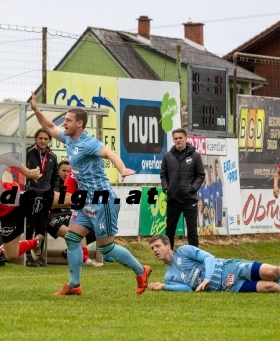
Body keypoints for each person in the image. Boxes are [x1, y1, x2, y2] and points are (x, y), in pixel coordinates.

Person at [30, 92, 151, 295]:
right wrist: (35, 110)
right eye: (65, 120)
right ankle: (74, 285)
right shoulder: (69, 139)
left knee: (106, 248)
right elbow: (50, 127)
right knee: (72, 239)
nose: (64, 123)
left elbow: (109, 153)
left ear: (80, 124)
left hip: (102, 199)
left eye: (68, 120)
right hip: (85, 201)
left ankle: (141, 271)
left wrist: (121, 169)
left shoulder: (88, 143)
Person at [148, 235, 280, 293]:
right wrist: (164, 286)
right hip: (228, 286)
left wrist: (207, 279)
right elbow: (188, 289)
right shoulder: (168, 277)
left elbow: (209, 258)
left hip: (230, 268)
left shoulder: (184, 251)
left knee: (273, 272)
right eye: (152, 248)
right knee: (271, 287)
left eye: (158, 246)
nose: (155, 250)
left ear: (168, 246)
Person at [48, 161, 103, 267]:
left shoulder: (77, 183)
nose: (66, 174)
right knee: (75, 230)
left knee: (97, 229)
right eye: (63, 171)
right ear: (58, 171)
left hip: (69, 213)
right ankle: (85, 258)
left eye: (68, 172)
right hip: (53, 215)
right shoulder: (54, 183)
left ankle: (71, 252)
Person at [160, 128, 205, 249]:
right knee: (169, 231)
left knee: (192, 232)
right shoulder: (167, 156)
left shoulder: (195, 156)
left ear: (186, 138)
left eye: (180, 138)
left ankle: (195, 257)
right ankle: (169, 257)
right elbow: (163, 175)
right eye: (176, 138)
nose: (178, 140)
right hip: (173, 199)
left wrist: (192, 189)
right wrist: (166, 189)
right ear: (173, 140)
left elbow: (200, 175)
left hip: (189, 200)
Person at [25, 129, 59, 267]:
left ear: (49, 140)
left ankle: (38, 257)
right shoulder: (27, 152)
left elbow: (56, 176)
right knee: (29, 225)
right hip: (31, 194)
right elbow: (20, 171)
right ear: (35, 139)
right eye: (40, 138)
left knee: (41, 227)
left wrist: (55, 191)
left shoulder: (53, 156)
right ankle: (27, 255)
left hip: (45, 195)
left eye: (46, 138)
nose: (43, 141)